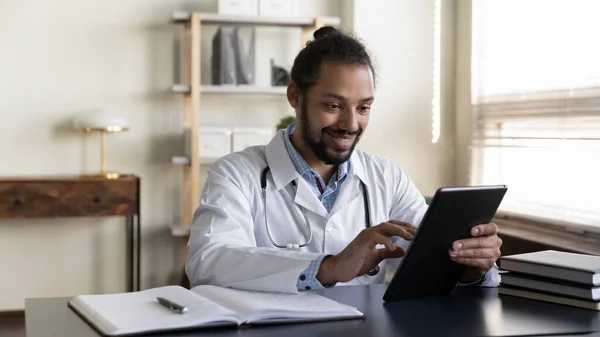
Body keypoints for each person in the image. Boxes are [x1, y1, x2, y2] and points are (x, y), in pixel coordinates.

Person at [186, 26, 502, 294]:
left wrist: (470, 264)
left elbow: (429, 257)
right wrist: (328, 267)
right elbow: (209, 261)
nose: (351, 124)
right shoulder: (236, 174)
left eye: (363, 108)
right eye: (334, 106)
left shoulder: (386, 178)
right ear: (296, 96)